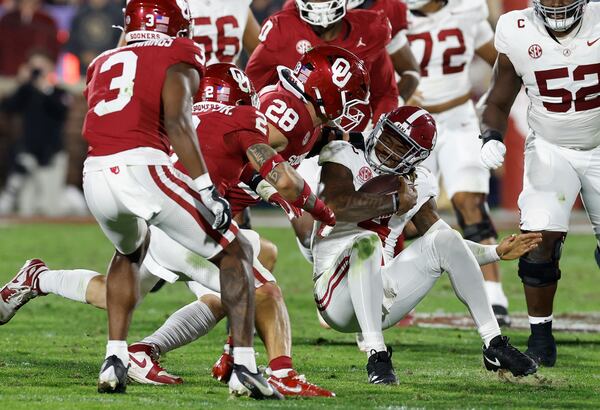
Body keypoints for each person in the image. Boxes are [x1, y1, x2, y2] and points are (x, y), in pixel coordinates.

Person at [0, 62, 336, 397]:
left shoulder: (180, 121)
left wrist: (270, 191)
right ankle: (280, 372)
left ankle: (38, 278)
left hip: (157, 218)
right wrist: (321, 210)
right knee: (263, 288)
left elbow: (239, 169)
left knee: (113, 293)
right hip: (185, 229)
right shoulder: (237, 119)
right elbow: (273, 175)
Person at [82, 0, 280, 398]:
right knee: (237, 248)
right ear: (174, 23)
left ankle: (115, 358)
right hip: (144, 168)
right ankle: (244, 367)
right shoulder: (181, 52)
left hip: (95, 173)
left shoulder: (102, 60)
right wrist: (206, 188)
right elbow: (177, 122)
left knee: (130, 251)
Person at [314, 106, 540, 384]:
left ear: (416, 157)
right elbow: (333, 206)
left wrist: (494, 252)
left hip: (382, 296)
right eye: (388, 136)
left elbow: (450, 247)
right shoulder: (344, 153)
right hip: (334, 295)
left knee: (445, 238)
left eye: (401, 145)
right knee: (367, 241)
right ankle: (377, 356)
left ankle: (494, 344)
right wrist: (393, 203)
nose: (388, 147)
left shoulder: (417, 182)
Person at [478, 0, 599, 367]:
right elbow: (498, 99)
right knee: (537, 241)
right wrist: (491, 136)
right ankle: (541, 339)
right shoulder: (516, 29)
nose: (558, 4)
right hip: (550, 148)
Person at [402, 0, 511, 326]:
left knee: (470, 201)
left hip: (458, 118)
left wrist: (496, 106)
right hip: (411, 124)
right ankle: (391, 289)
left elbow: (502, 64)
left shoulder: (468, 10)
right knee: (406, 215)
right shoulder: (395, 16)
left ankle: (494, 294)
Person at [0, 50, 71, 215]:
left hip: (52, 155)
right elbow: (7, 107)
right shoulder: (26, 91)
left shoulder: (59, 92)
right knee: (26, 207)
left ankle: (71, 200)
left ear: (51, 68)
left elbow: (62, 111)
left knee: (50, 208)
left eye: (42, 67)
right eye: (34, 67)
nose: (38, 71)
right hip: (29, 155)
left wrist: (45, 87)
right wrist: (21, 83)